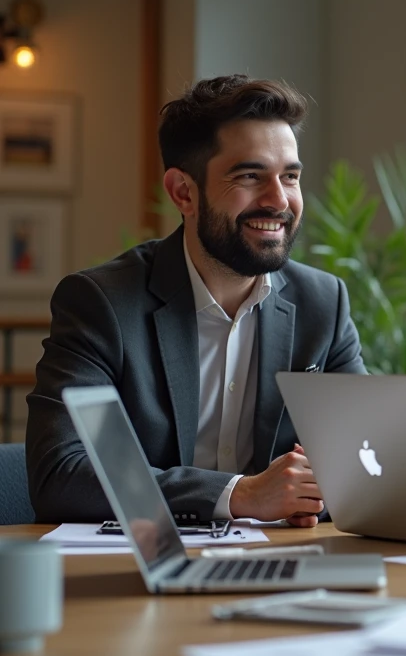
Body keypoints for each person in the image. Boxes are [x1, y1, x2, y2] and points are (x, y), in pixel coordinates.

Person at [27, 74, 366, 526]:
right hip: (142, 571)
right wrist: (239, 494)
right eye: (250, 176)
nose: (279, 200)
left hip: (283, 569)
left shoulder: (324, 304)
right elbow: (62, 475)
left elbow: (365, 465)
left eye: (290, 176)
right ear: (183, 192)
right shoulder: (102, 303)